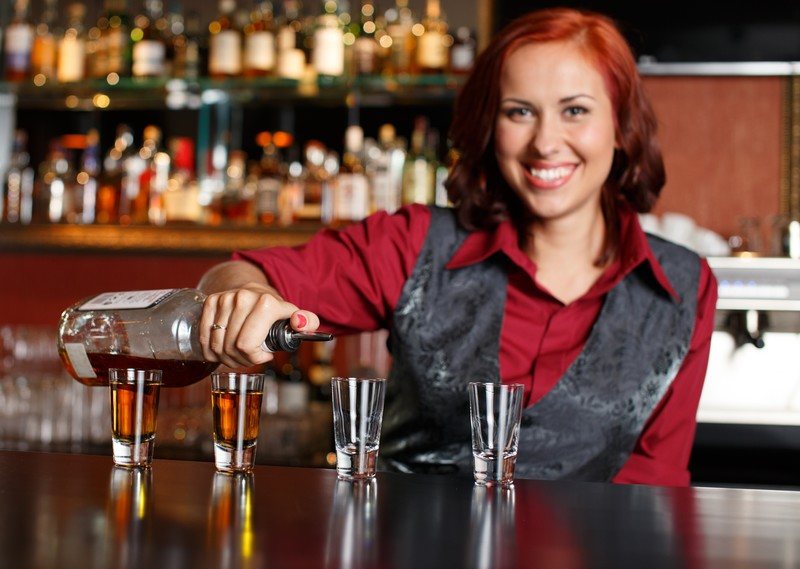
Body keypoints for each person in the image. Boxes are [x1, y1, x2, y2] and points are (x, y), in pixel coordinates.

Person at [197, 7, 717, 487]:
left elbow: (655, 486)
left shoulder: (683, 287)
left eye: (575, 110)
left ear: (621, 125)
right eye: (519, 112)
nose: (546, 142)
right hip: (403, 554)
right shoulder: (413, 242)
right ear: (490, 127)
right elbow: (241, 273)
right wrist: (241, 297)